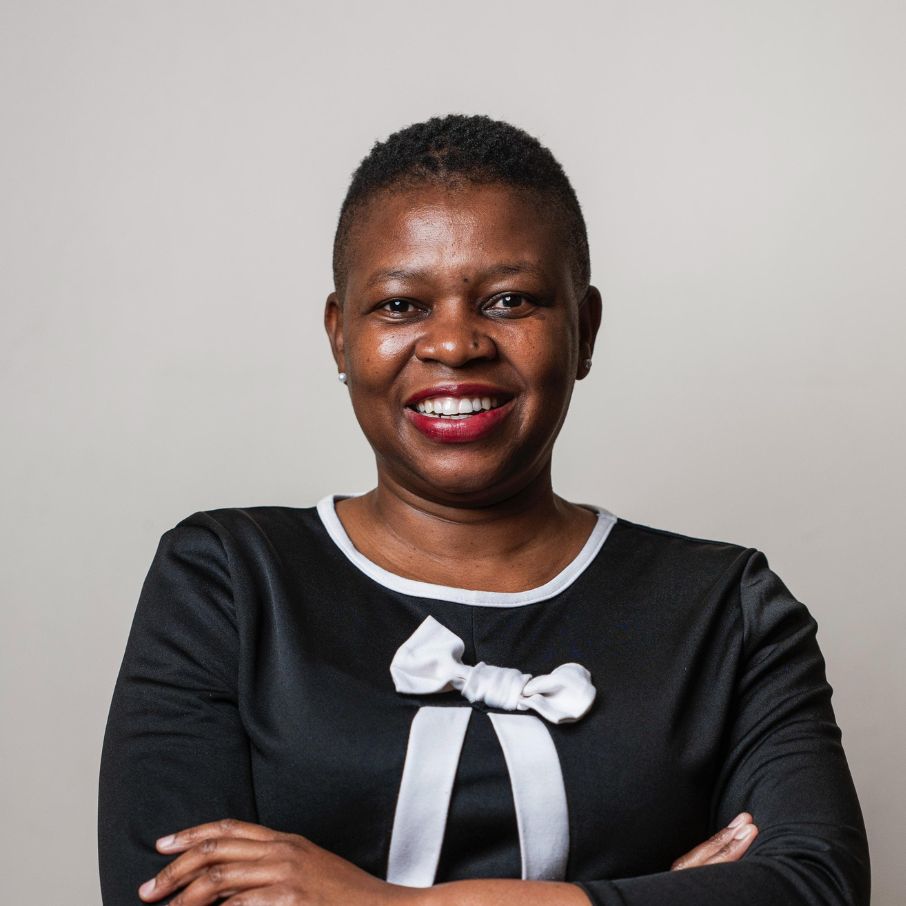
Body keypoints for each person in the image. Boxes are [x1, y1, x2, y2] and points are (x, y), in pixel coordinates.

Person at [97, 114, 870, 905]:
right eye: (401, 305)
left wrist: (380, 904)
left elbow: (817, 889)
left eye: (509, 300)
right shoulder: (229, 580)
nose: (456, 344)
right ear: (339, 336)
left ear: (584, 330)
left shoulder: (725, 608)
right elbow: (167, 892)